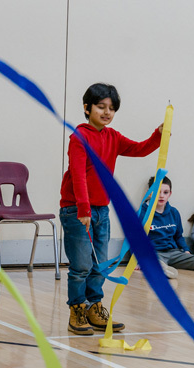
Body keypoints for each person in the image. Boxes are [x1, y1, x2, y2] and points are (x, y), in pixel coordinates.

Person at [60, 82, 162, 335]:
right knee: (81, 264)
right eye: (101, 107)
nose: (107, 112)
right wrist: (83, 208)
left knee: (100, 264)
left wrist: (159, 134)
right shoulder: (79, 137)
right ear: (87, 108)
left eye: (111, 108)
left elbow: (140, 149)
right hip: (77, 210)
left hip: (101, 211)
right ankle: (77, 309)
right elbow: (78, 175)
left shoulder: (113, 137)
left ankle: (95, 306)